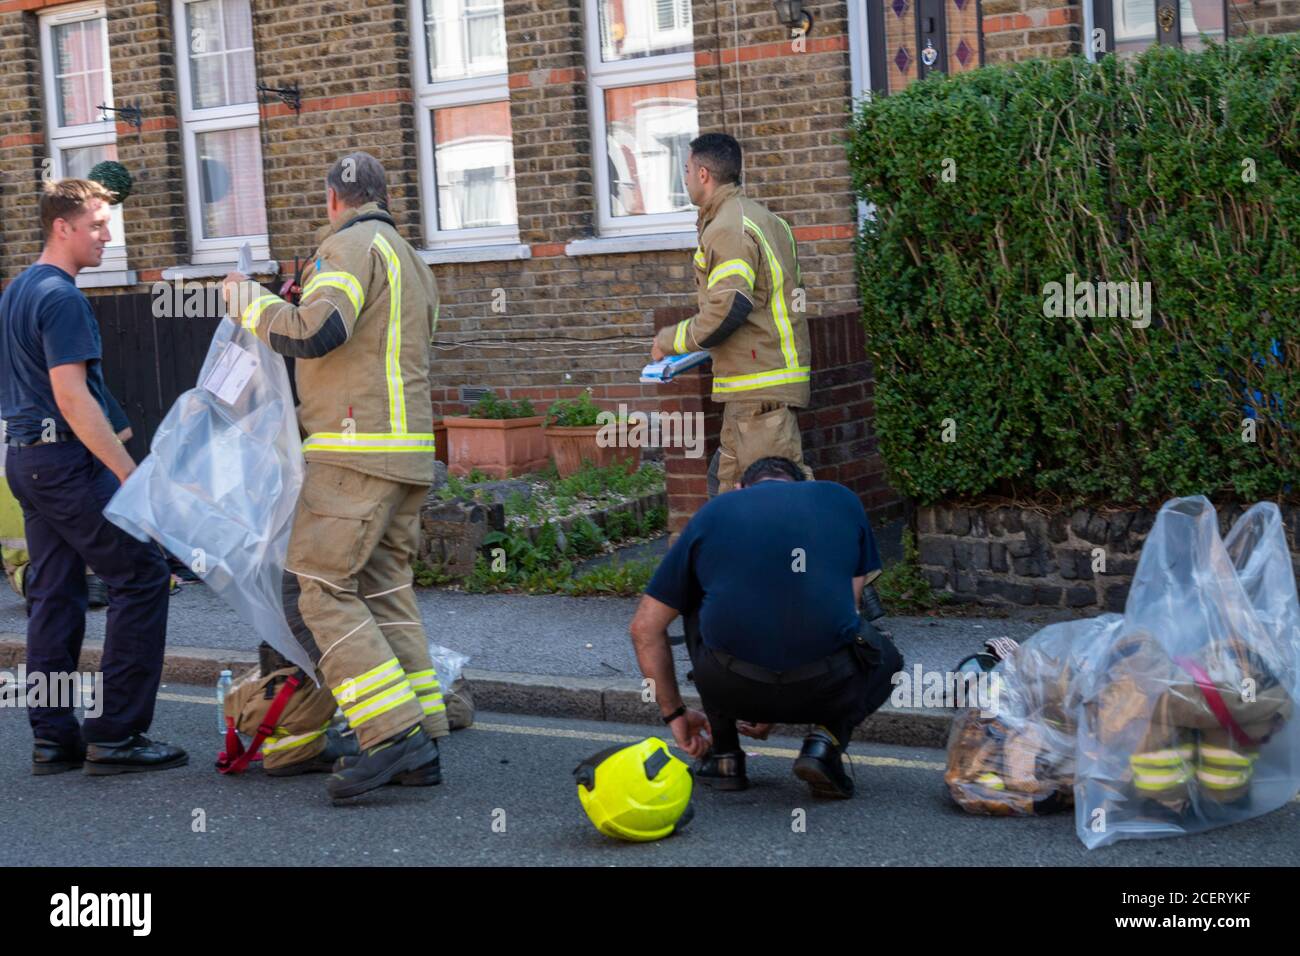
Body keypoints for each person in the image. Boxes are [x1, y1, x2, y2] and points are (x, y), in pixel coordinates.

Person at [223, 152, 448, 800]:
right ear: (382, 194)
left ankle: (388, 734)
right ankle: (422, 737)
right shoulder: (411, 260)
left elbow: (318, 331)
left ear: (331, 201)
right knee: (384, 592)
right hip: (408, 455)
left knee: (319, 588)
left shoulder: (345, 248)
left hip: (354, 453)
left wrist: (250, 305)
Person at [0, 178, 182, 776]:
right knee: (143, 576)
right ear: (63, 226)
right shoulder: (63, 298)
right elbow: (73, 397)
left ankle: (54, 740)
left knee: (55, 592)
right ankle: (117, 734)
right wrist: (129, 476)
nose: (108, 236)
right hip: (67, 464)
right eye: (98, 225)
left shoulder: (17, 291)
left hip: (26, 459)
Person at [628, 457, 902, 799]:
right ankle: (824, 746)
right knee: (886, 657)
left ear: (740, 489)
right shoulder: (841, 500)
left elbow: (644, 629)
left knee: (696, 600)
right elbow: (845, 616)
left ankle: (725, 756)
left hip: (732, 686)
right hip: (824, 686)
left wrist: (676, 714)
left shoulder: (716, 511)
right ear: (802, 484)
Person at [650, 132, 813, 495]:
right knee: (727, 492)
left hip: (757, 390)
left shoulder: (728, 228)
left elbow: (730, 306)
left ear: (704, 173)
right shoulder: (764, 220)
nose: (686, 178)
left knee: (775, 500)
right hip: (758, 388)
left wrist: (668, 341)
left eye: (688, 169)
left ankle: (813, 553)